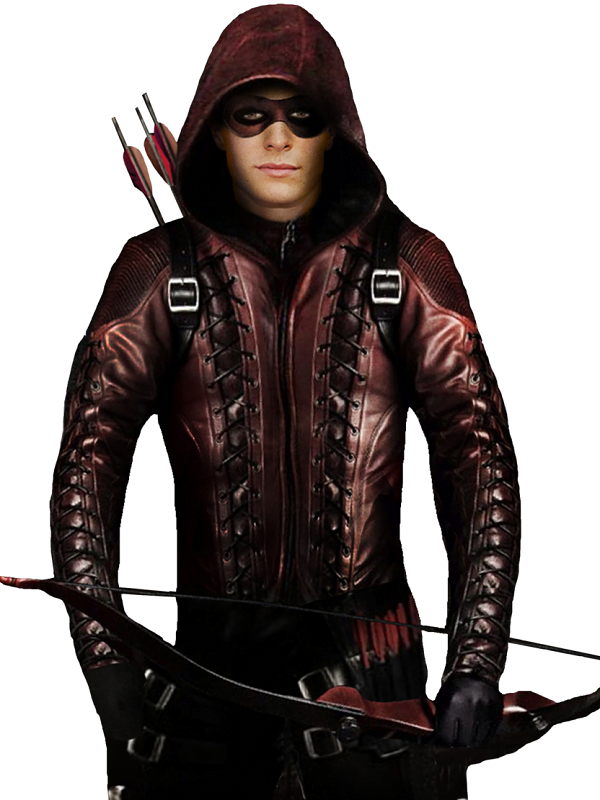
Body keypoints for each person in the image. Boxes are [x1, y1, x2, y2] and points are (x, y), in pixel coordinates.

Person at [49, 5, 520, 799]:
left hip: (376, 693)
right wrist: (107, 663)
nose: (278, 139)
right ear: (215, 130)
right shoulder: (158, 271)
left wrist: (475, 661)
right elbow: (88, 464)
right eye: (251, 117)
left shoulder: (407, 264)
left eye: (302, 118)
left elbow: (479, 461)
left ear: (334, 131)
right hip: (207, 691)